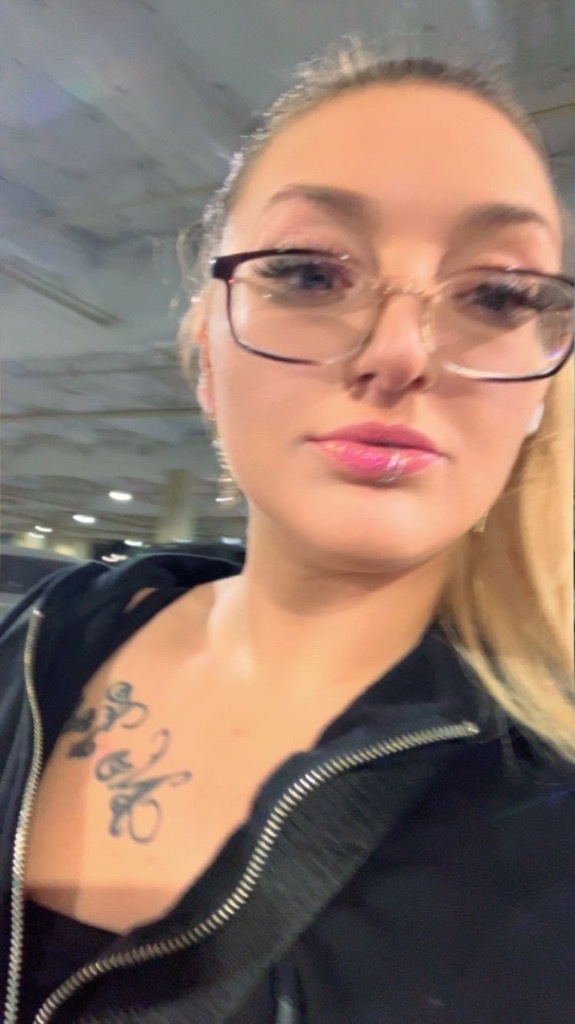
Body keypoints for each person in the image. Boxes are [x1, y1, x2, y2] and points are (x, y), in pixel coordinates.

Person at [1, 40, 574, 1024]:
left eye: (495, 294)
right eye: (308, 272)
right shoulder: (51, 630)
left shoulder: (546, 830)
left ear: (539, 393)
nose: (398, 352)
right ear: (205, 351)